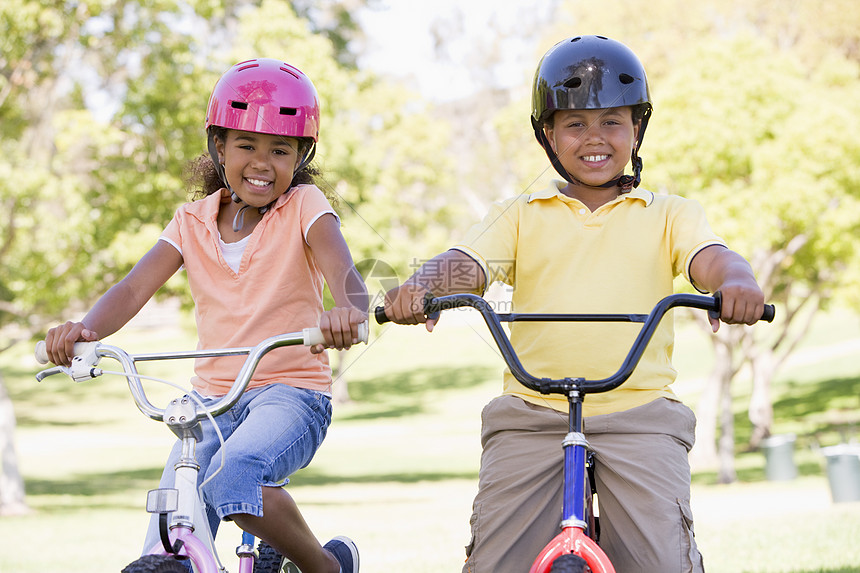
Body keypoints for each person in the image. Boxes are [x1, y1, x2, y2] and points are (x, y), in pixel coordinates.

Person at [382, 35, 766, 573]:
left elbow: (713, 259)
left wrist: (738, 283)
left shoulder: (669, 213)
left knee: (663, 560)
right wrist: (425, 287)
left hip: (640, 412)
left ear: (637, 129)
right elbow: (467, 261)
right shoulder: (520, 213)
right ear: (548, 134)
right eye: (575, 123)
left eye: (612, 121)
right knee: (494, 561)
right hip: (531, 409)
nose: (595, 137)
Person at [42, 58, 365, 573]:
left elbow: (348, 279)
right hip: (209, 403)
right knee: (169, 527)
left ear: (301, 155)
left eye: (280, 150)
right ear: (219, 146)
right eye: (246, 145)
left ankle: (323, 567)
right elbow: (132, 288)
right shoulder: (190, 221)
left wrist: (348, 312)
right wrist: (85, 331)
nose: (263, 162)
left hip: (290, 394)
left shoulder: (305, 205)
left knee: (234, 475)